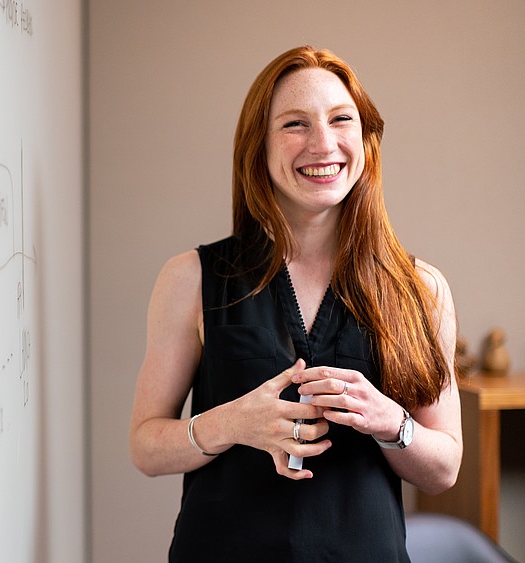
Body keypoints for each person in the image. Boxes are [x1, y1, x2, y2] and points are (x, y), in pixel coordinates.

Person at [129, 46, 462, 561]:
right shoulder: (191, 279)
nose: (323, 143)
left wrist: (389, 421)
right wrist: (232, 422)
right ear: (258, 147)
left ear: (366, 139)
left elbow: (444, 469)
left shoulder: (422, 289)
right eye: (295, 124)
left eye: (340, 119)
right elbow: (146, 448)